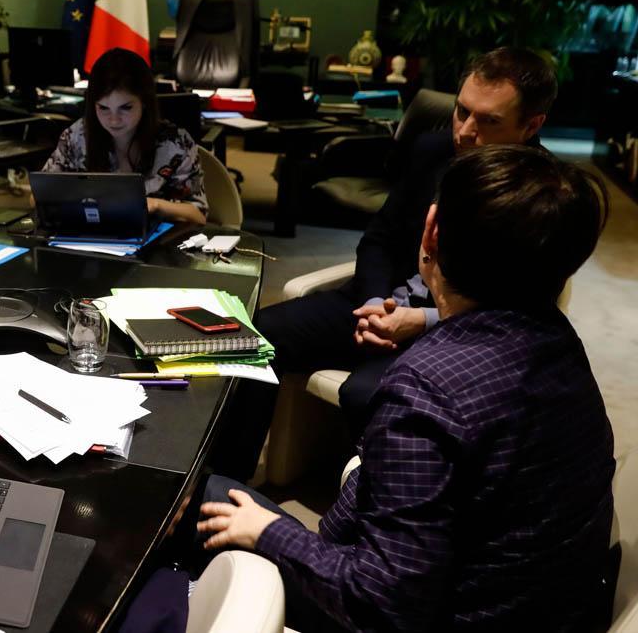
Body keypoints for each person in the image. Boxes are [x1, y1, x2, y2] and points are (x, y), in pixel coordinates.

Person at [196, 145, 614, 631]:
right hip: (550, 608)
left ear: (431, 230)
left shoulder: (426, 387)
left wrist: (269, 533)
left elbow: (380, 604)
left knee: (200, 498)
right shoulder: (561, 339)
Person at [215, 47, 559, 480]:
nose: (466, 131)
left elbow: (521, 308)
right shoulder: (432, 150)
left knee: (368, 393)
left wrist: (422, 320)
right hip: (382, 304)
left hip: (457, 332)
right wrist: (375, 303)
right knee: (253, 337)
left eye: (488, 120)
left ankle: (369, 522)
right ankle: (224, 485)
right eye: (461, 111)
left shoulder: (544, 194)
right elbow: (379, 239)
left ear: (532, 125)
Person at [41, 47, 208, 224]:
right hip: (89, 239)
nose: (114, 120)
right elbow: (39, 196)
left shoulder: (176, 144)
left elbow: (198, 215)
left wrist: (156, 205)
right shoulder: (76, 137)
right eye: (103, 108)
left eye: (126, 108)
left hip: (157, 243)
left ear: (144, 102)